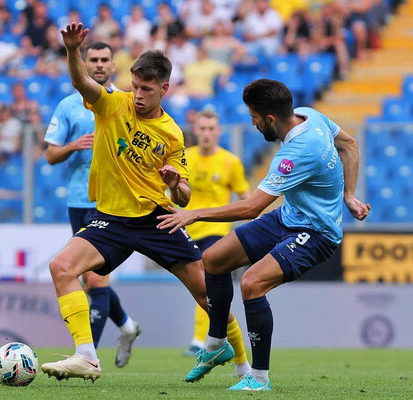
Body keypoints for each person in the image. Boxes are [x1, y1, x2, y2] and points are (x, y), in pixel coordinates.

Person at [40, 22, 244, 382]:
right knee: (62, 267)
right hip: (110, 219)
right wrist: (72, 50)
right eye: (134, 86)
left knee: (206, 293)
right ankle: (87, 356)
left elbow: (184, 196)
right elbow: (82, 82)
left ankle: (245, 368)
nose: (137, 94)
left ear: (164, 89)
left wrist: (174, 184)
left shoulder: (172, 133)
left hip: (155, 219)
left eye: (146, 89)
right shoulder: (111, 104)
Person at [157, 78, 371, 391]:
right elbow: (349, 144)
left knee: (252, 283)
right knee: (213, 259)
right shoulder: (311, 115)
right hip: (289, 216)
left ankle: (258, 377)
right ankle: (216, 343)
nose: (253, 123)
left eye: (254, 117)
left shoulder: (296, 153)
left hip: (316, 232)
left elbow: (252, 207)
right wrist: (349, 195)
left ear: (270, 119)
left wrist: (194, 213)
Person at [44, 41, 141, 369]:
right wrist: (73, 146)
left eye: (104, 60)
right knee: (89, 279)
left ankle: (88, 356)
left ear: (113, 65)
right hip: (78, 200)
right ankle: (126, 325)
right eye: (93, 60)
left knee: (97, 280)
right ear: (84, 64)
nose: (99, 64)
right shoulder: (69, 106)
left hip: (111, 203)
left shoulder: (125, 103)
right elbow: (50, 155)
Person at [182, 110, 251, 380]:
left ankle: (201, 340)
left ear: (219, 132)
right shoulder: (185, 157)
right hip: (188, 230)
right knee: (201, 288)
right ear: (195, 131)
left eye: (211, 128)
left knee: (207, 282)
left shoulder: (230, 162)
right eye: (202, 128)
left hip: (216, 231)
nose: (207, 133)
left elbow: (246, 199)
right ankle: (218, 346)